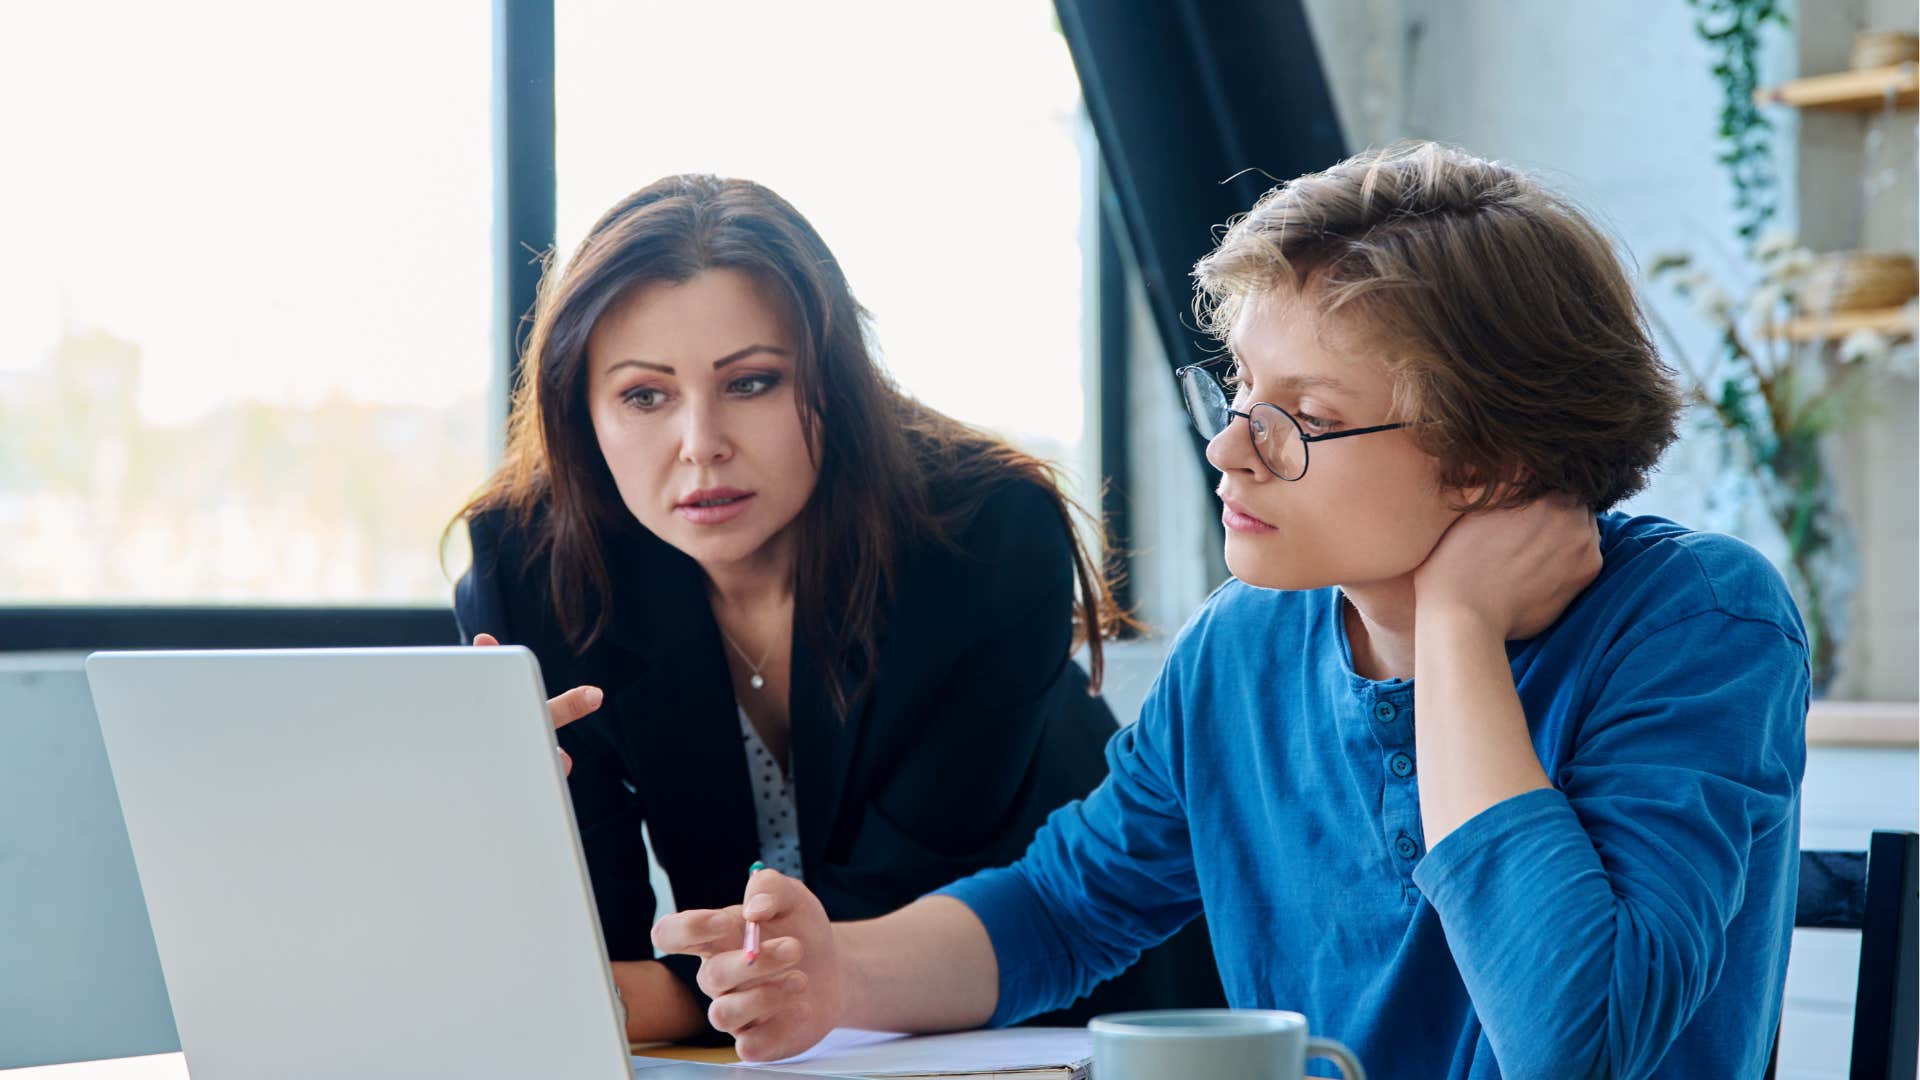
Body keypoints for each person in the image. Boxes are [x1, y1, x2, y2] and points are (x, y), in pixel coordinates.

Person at [653, 143, 1811, 1077]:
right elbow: (1064, 908)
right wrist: (836, 979)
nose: (1227, 447)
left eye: (1297, 416)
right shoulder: (1241, 647)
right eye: (1237, 392)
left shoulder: (1699, 625)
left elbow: (1579, 1042)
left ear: (1491, 459)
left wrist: (1456, 629)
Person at [452, 175, 1220, 1044]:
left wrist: (636, 996)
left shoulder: (984, 538)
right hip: (744, 1048)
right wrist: (508, 848)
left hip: (1047, 1022)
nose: (701, 444)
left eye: (752, 383)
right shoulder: (533, 570)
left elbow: (895, 909)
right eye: (644, 395)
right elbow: (593, 953)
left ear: (834, 385)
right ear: (581, 411)